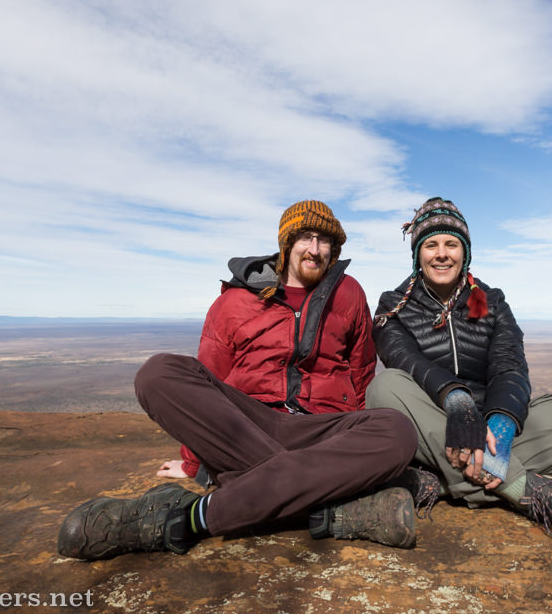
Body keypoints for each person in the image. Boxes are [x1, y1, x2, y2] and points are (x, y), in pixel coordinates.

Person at [57, 200, 423, 560]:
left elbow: (360, 371)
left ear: (334, 248)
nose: (314, 249)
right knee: (157, 372)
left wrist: (352, 443)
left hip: (320, 431)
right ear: (286, 243)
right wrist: (193, 460)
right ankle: (326, 508)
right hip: (249, 424)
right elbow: (209, 375)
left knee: (397, 430)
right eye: (305, 238)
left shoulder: (349, 293)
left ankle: (191, 518)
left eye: (324, 241)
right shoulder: (235, 300)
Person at [366, 197, 552, 538]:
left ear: (465, 251)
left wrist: (500, 424)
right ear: (418, 254)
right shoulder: (393, 306)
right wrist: (456, 402)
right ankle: (523, 490)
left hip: (489, 434)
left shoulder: (493, 301)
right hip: (433, 428)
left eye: (451, 244)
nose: (442, 253)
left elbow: (510, 365)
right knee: (384, 389)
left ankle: (440, 484)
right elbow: (404, 360)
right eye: (431, 245)